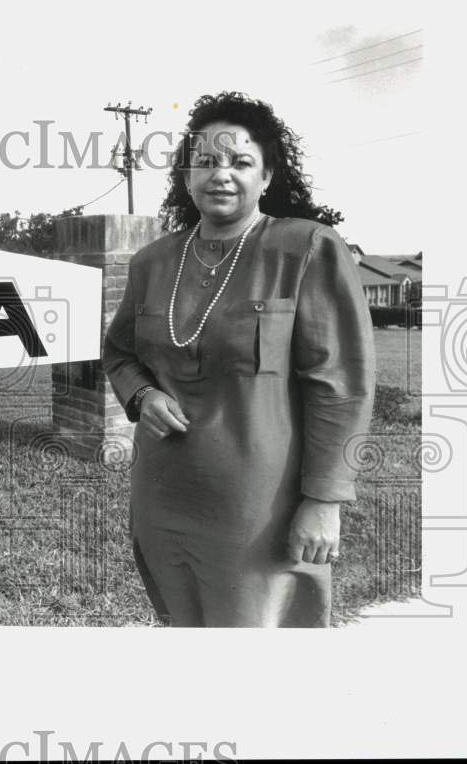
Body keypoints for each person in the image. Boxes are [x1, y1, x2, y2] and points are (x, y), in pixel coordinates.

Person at [102, 91, 375, 627]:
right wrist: (142, 394)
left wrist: (324, 501)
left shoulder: (306, 249)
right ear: (185, 178)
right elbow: (119, 352)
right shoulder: (153, 261)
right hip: (165, 497)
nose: (221, 174)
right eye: (206, 161)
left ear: (267, 176)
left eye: (240, 162)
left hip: (260, 509)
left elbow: (340, 386)